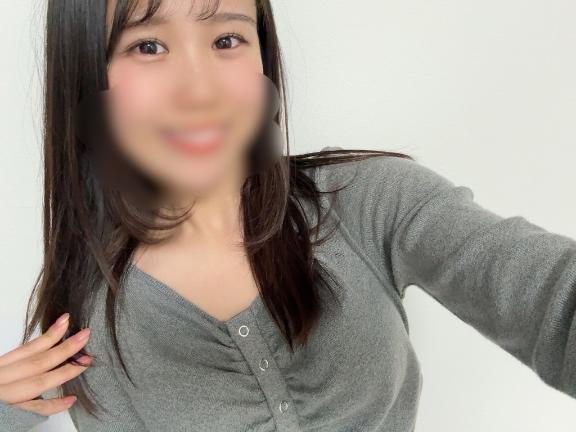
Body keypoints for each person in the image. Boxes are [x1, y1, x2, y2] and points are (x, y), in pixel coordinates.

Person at [1, 0, 575, 431]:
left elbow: (552, 297)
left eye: (227, 39)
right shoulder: (86, 313)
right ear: (87, 76)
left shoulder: (368, 200)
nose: (200, 88)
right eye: (147, 46)